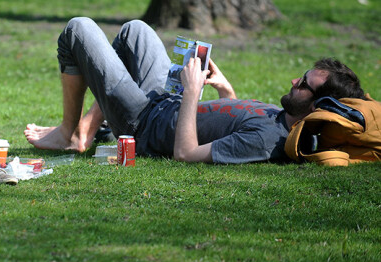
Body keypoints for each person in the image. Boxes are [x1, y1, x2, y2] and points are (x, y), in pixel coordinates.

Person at [25, 17, 365, 164]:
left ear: (319, 106)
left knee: (79, 29)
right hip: (165, 103)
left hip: (143, 124)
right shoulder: (280, 119)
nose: (295, 81)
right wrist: (226, 92)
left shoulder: (269, 140)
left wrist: (191, 93)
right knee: (135, 31)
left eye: (305, 85)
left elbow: (186, 153)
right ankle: (86, 130)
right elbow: (223, 126)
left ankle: (70, 132)